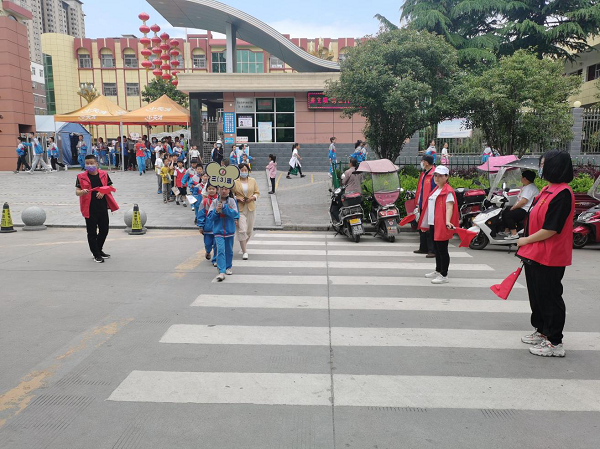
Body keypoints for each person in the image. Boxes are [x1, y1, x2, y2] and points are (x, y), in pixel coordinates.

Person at [516, 151, 575, 358]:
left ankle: (555, 342)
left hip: (551, 255)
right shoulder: (547, 190)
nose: (540, 168)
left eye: (543, 164)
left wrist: (525, 240)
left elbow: (551, 229)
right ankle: (542, 330)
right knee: (537, 295)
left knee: (550, 297)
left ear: (555, 167)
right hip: (535, 252)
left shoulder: (563, 193)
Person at [419, 165, 459, 284]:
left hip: (441, 224)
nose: (437, 178)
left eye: (440, 176)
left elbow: (449, 207)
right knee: (436, 249)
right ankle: (438, 270)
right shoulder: (436, 190)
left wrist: (447, 221)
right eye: (435, 175)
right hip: (433, 223)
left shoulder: (448, 191)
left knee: (442, 250)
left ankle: (444, 275)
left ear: (446, 177)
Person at [75, 154, 119, 263]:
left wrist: (103, 191)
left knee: (104, 230)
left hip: (102, 207)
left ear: (96, 164)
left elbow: (111, 187)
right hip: (89, 208)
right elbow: (77, 192)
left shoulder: (104, 174)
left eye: (91, 163)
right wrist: (82, 192)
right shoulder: (81, 176)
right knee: (92, 232)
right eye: (87, 163)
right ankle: (96, 254)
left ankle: (98, 249)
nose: (89, 165)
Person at [208, 185, 239, 282]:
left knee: (229, 250)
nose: (224, 191)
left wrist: (225, 207)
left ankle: (228, 267)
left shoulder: (232, 201)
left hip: (229, 230)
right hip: (218, 231)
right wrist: (216, 211)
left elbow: (235, 213)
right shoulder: (214, 202)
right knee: (220, 250)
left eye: (226, 189)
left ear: (229, 190)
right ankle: (221, 271)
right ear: (218, 190)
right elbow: (210, 217)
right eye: (222, 189)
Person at [501, 170, 539, 239]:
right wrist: (513, 207)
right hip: (522, 208)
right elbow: (519, 200)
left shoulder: (530, 188)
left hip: (526, 210)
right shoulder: (527, 187)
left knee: (508, 215)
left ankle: (514, 234)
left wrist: (513, 208)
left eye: (522, 177)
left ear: (525, 178)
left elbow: (523, 202)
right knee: (505, 211)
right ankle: (507, 231)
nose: (521, 178)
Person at [233, 163, 260, 260]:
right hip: (239, 208)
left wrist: (253, 197)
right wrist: (237, 198)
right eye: (242, 170)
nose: (244, 172)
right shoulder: (235, 182)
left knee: (249, 231)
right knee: (242, 230)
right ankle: (245, 251)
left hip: (250, 207)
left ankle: (243, 245)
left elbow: (257, 192)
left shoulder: (253, 180)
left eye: (245, 170)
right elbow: (231, 194)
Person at [414, 155, 436, 258]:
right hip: (422, 204)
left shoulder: (434, 175)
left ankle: (432, 250)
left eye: (422, 161)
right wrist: (418, 204)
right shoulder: (424, 174)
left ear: (426, 163)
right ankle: (423, 248)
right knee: (421, 227)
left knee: (430, 228)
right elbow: (421, 191)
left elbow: (434, 192)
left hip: (430, 205)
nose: (421, 163)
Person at [197, 183, 219, 267]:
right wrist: (201, 225)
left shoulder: (220, 200)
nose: (211, 190)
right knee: (208, 243)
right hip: (207, 227)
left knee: (216, 244)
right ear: (206, 190)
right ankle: (208, 251)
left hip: (217, 226)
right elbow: (201, 214)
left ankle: (215, 259)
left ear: (217, 190)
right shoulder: (204, 201)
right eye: (209, 189)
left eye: (213, 189)